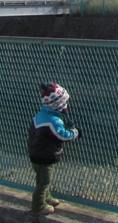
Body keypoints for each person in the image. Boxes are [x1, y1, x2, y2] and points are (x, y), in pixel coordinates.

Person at [28, 82, 81, 219]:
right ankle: (38, 206)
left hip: (35, 153)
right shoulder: (53, 121)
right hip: (45, 156)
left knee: (42, 178)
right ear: (57, 104)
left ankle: (47, 197)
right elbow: (62, 135)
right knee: (43, 181)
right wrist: (74, 133)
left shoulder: (40, 115)